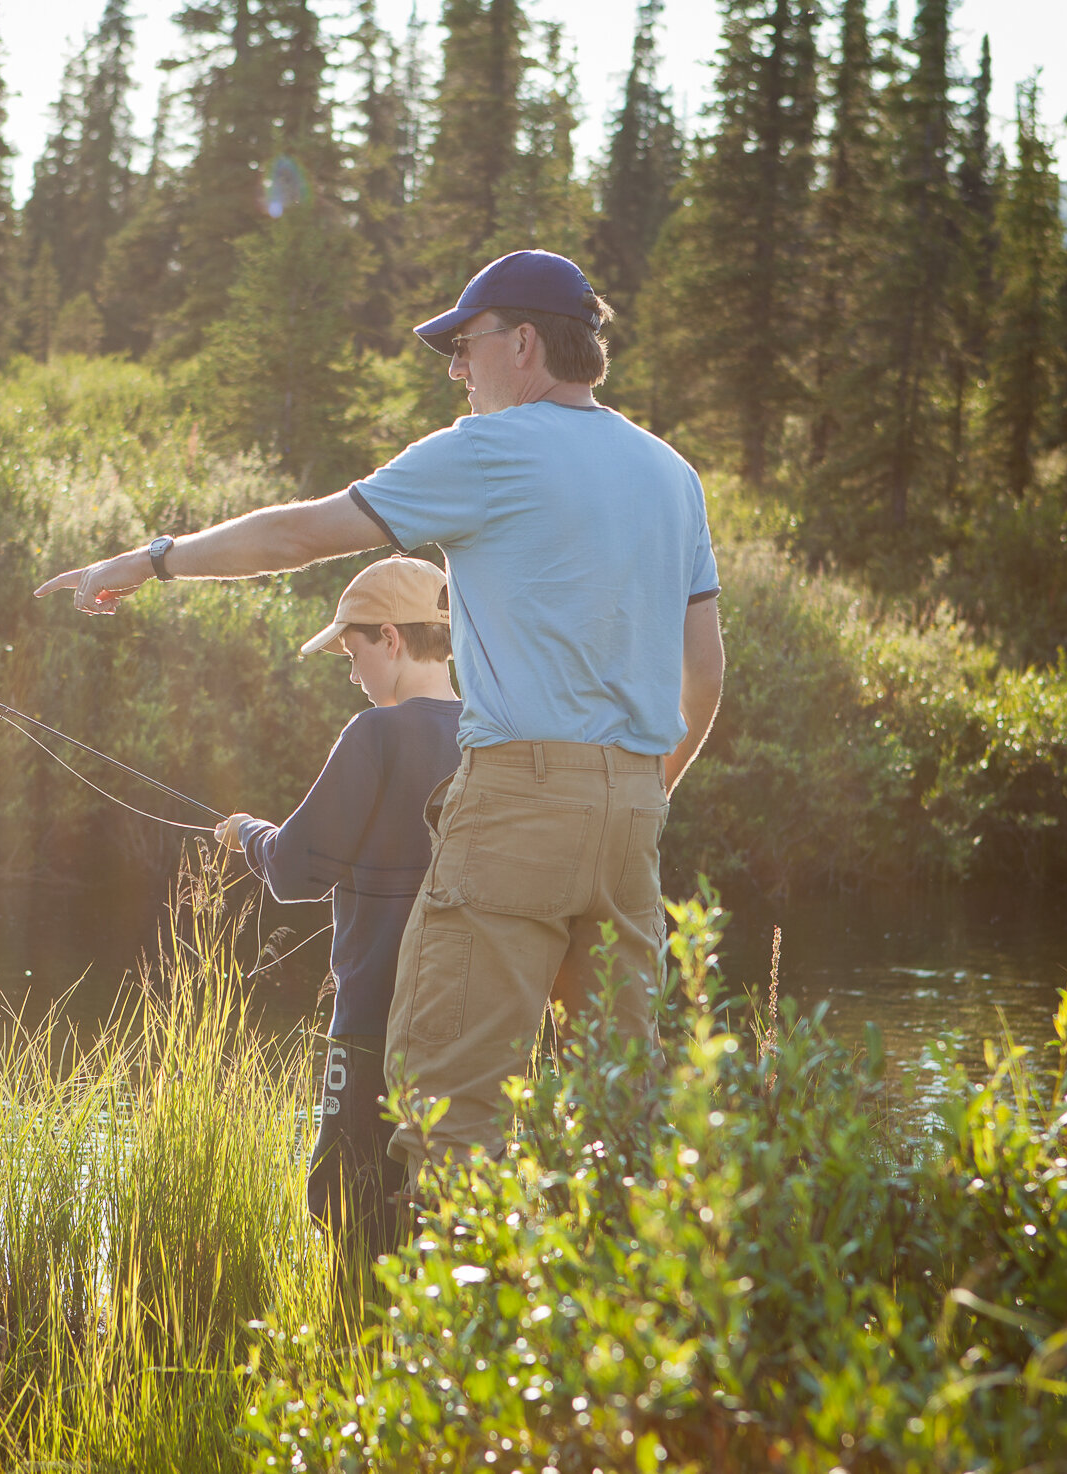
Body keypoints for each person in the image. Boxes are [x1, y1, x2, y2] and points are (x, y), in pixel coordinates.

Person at [36, 248, 725, 1177]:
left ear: (524, 344)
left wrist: (150, 560)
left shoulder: (490, 449)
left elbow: (300, 533)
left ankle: (444, 1325)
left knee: (447, 1112)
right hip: (635, 817)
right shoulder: (673, 475)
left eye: (464, 346)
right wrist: (639, 793)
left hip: (516, 805)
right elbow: (706, 681)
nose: (455, 369)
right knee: (620, 1120)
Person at [213, 557, 462, 1252]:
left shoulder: (375, 734)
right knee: (442, 1218)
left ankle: (354, 1352)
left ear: (390, 638)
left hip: (372, 1025)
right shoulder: (492, 735)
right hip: (468, 1032)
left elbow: (294, 870)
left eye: (353, 654)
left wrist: (248, 834)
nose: (353, 675)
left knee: (350, 1210)